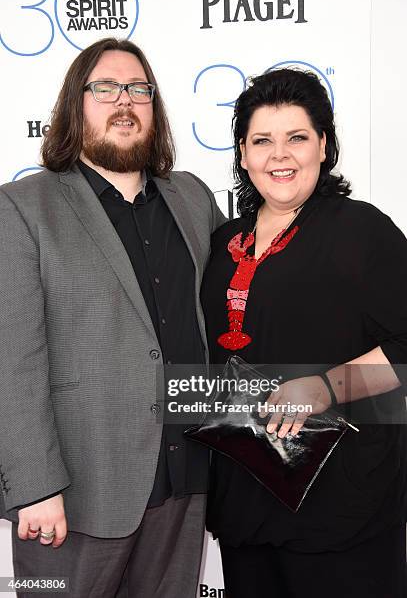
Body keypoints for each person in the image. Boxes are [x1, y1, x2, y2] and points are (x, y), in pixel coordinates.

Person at [0, 38, 225, 597]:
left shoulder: (193, 197)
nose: (124, 100)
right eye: (105, 88)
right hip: (75, 497)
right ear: (75, 105)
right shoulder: (24, 207)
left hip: (185, 480)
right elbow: (13, 360)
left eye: (138, 89)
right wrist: (32, 488)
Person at [201, 68, 407, 597]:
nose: (280, 156)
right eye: (262, 141)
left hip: (341, 505)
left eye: (297, 137)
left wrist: (326, 388)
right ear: (243, 155)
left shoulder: (362, 230)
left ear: (323, 146)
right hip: (246, 497)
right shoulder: (223, 241)